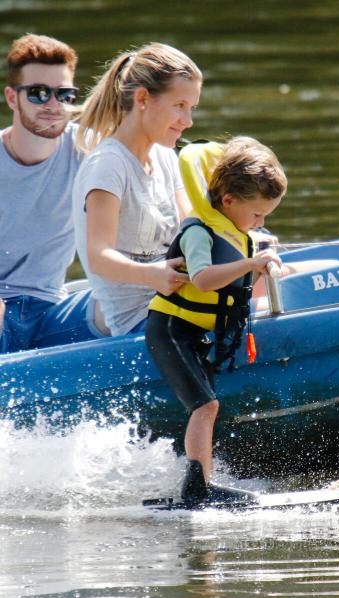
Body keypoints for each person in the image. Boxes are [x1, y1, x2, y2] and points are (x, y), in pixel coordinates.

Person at [145, 136, 286, 505]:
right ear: (228, 201)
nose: (261, 222)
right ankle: (197, 490)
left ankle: (199, 484)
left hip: (197, 334)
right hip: (172, 330)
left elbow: (234, 288)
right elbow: (204, 279)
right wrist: (250, 263)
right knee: (204, 406)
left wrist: (265, 266)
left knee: (208, 406)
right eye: (257, 214)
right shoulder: (198, 232)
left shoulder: (240, 236)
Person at [72, 43, 201, 337]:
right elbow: (98, 256)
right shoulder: (107, 165)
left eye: (191, 108)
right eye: (179, 106)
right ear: (142, 98)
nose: (188, 121)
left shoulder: (166, 156)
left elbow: (192, 228)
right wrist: (151, 275)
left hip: (180, 302)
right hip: (140, 323)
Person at [0, 34, 100, 354]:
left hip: (52, 314)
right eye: (40, 94)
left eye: (65, 94)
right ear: (12, 98)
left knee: (134, 297)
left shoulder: (91, 150)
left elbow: (157, 190)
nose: (54, 106)